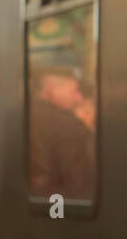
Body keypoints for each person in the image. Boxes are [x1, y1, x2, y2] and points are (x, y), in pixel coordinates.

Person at [28, 65, 95, 200]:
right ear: (51, 89)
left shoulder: (14, 116)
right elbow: (80, 190)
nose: (79, 98)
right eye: (74, 91)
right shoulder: (68, 126)